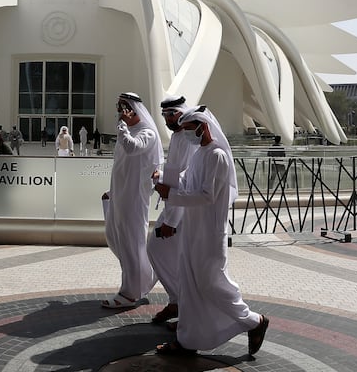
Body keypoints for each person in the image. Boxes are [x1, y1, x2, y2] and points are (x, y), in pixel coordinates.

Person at [154, 106, 268, 356]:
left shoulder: (217, 155)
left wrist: (171, 195)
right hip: (192, 230)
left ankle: (254, 321)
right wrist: (163, 177)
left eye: (187, 129)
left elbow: (207, 196)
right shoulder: (199, 153)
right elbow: (186, 180)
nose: (184, 134)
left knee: (211, 283)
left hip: (209, 233)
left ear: (202, 127)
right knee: (190, 284)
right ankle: (188, 340)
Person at [101, 92, 164, 309]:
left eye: (124, 107)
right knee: (114, 237)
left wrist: (122, 127)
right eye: (118, 107)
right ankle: (144, 275)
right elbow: (121, 166)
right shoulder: (127, 131)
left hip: (134, 197)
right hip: (121, 194)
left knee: (130, 242)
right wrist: (113, 191)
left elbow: (132, 147)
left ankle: (130, 292)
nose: (120, 112)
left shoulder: (147, 133)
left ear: (134, 109)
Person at [146, 95, 200, 325]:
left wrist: (171, 221)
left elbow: (187, 178)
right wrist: (162, 176)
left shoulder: (188, 139)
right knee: (159, 250)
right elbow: (177, 171)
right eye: (165, 115)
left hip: (184, 209)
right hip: (174, 203)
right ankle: (178, 301)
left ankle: (186, 307)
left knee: (164, 250)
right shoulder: (179, 137)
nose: (168, 119)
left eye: (172, 114)